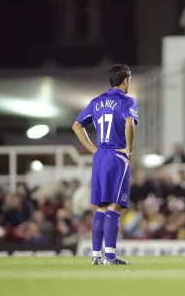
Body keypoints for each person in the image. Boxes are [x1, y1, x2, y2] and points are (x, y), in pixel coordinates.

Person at [72, 64, 138, 265]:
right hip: (117, 156)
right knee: (115, 206)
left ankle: (95, 256)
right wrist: (129, 149)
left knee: (101, 208)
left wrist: (94, 149)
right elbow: (129, 123)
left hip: (100, 157)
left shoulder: (97, 101)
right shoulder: (127, 100)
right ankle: (110, 255)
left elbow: (76, 126)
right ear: (125, 80)